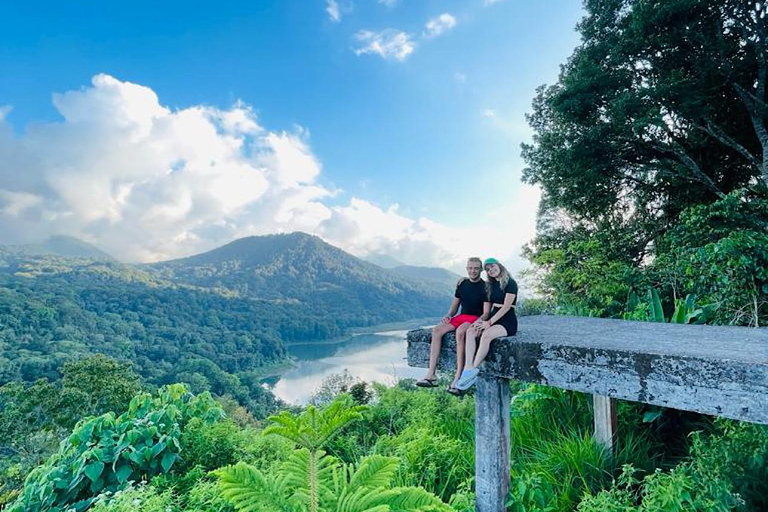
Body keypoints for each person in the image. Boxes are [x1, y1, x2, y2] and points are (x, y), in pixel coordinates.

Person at [416, 257, 488, 394]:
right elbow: (454, 307)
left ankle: (458, 377)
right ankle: (431, 375)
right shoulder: (462, 284)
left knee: (460, 332)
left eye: (476, 268)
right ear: (467, 268)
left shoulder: (485, 287)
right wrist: (449, 315)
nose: (473, 271)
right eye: (470, 268)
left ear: (481, 269)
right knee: (437, 330)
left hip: (474, 319)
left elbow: (486, 313)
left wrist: (479, 321)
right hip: (461, 317)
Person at [455, 257, 517, 391]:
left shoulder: (510, 283)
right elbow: (486, 307)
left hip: (507, 320)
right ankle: (468, 367)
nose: (491, 270)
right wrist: (481, 322)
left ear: (499, 265)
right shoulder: (490, 286)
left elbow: (506, 307)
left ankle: (473, 369)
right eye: (488, 269)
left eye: (493, 267)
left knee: (486, 335)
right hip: (493, 316)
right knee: (471, 331)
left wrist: (488, 323)